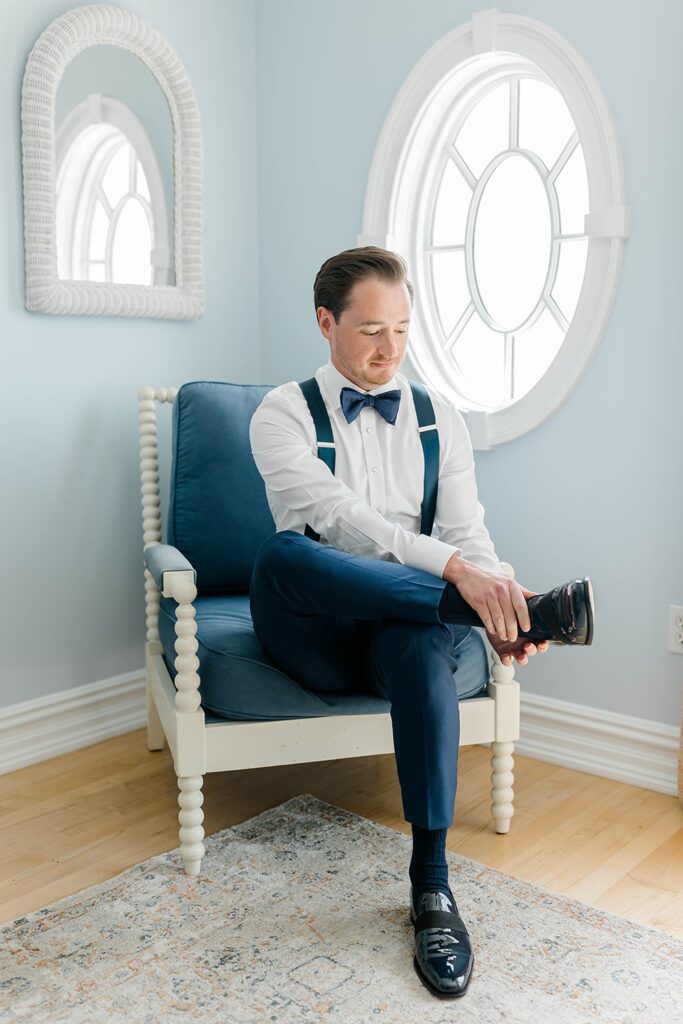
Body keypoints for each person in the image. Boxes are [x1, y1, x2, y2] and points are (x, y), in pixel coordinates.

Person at [248, 245, 595, 999]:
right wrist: (461, 585)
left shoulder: (438, 417)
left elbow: (468, 534)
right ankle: (458, 608)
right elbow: (341, 522)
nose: (390, 349)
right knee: (281, 554)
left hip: (402, 630)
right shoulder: (279, 413)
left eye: (402, 329)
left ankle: (431, 891)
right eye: (371, 330)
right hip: (316, 628)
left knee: (415, 635)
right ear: (324, 323)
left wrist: (491, 586)